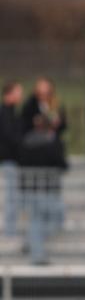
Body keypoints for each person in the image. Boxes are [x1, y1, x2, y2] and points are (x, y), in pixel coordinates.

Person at [18, 114, 67, 265]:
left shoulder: (25, 141)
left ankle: (31, 242)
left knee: (38, 221)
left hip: (30, 189)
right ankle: (37, 253)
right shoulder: (52, 142)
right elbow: (62, 164)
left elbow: (20, 162)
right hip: (47, 190)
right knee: (55, 218)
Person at [1, 81, 23, 237]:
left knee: (12, 197)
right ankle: (9, 231)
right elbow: (10, 136)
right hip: (7, 160)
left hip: (11, 160)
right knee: (10, 197)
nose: (20, 95)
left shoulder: (13, 112)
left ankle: (10, 229)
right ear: (9, 94)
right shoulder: (4, 113)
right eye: (18, 92)